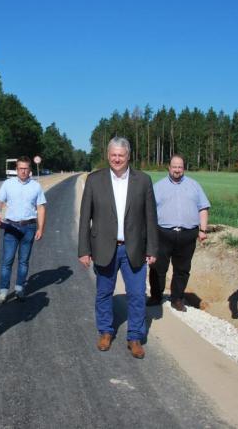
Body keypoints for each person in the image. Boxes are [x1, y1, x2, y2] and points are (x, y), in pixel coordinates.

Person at [78, 137, 158, 359]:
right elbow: (85, 218)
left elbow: (151, 218)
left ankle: (134, 337)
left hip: (134, 249)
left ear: (128, 156)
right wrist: (83, 249)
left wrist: (152, 249)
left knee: (137, 294)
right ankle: (105, 331)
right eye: (113, 154)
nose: (117, 159)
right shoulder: (95, 180)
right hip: (104, 248)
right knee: (104, 293)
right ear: (108, 155)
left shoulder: (143, 180)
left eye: (121, 155)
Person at [146, 154, 210, 312]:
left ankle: (177, 299)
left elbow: (203, 208)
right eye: (174, 166)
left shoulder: (194, 186)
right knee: (158, 268)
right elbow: (149, 211)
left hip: (187, 234)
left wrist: (202, 229)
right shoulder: (158, 187)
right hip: (163, 234)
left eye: (180, 167)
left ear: (184, 168)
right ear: (169, 167)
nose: (177, 170)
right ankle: (155, 296)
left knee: (182, 269)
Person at [0, 156, 47, 303]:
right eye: (20, 168)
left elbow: (41, 208)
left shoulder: (36, 186)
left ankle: (19, 289)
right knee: (7, 260)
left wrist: (40, 228)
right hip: (11, 227)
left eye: (26, 168)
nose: (23, 171)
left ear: (30, 170)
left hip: (29, 227)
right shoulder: (8, 184)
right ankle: (3, 291)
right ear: (16, 169)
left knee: (23, 261)